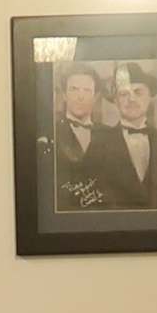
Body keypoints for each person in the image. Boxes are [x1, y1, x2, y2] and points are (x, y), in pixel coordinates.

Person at [94, 64, 157, 210]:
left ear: (149, 97)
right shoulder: (98, 144)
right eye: (124, 94)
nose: (131, 99)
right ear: (115, 100)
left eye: (138, 92)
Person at [49, 64, 111, 211]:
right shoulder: (51, 133)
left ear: (95, 97)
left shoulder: (110, 134)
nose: (80, 96)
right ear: (64, 95)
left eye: (87, 90)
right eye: (74, 89)